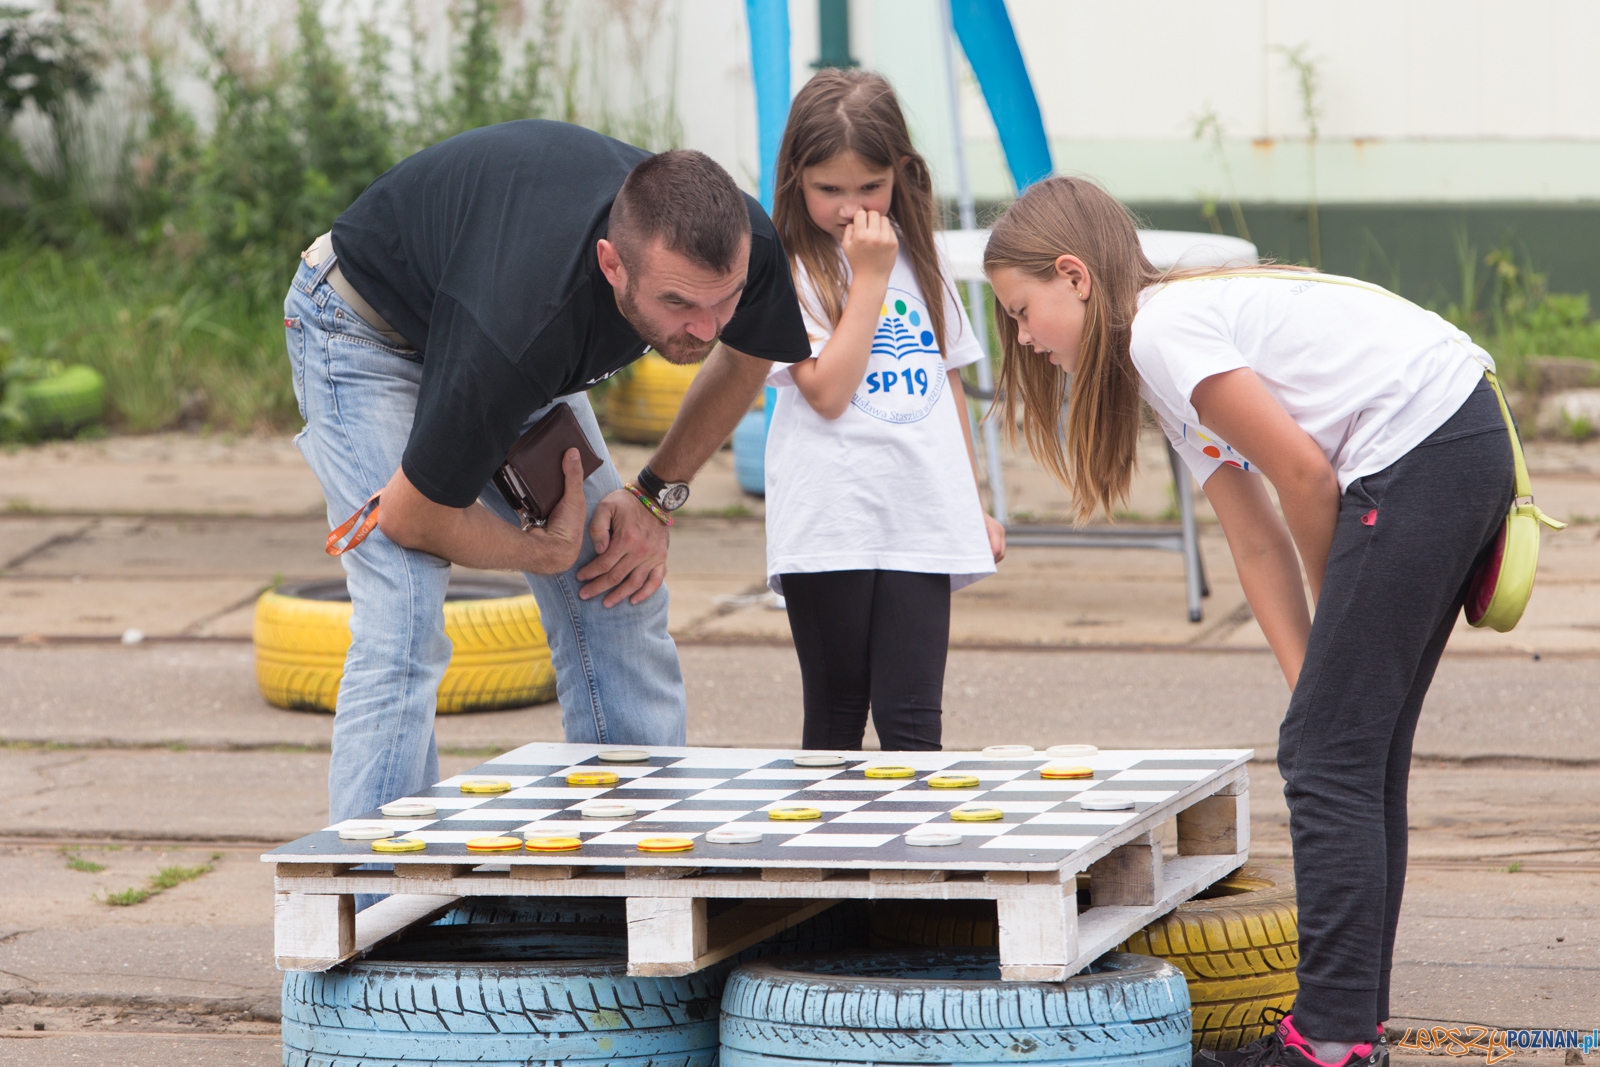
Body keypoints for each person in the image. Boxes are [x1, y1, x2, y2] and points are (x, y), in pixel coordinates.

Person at [983, 177, 1513, 1067]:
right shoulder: (1162, 355)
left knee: (1331, 752)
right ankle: (1353, 1030)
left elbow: (1306, 480)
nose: (1026, 342)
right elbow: (1253, 532)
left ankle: (1331, 1043)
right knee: (1347, 749)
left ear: (1073, 276)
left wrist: (1332, 646)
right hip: (1455, 438)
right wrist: (1316, 672)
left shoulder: (1160, 328)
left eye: (1023, 311)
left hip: (1426, 445)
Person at [284, 120, 809, 842]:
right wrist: (541, 549)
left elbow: (749, 353)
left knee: (619, 585)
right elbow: (412, 517)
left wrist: (654, 496)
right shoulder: (519, 326)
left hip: (504, 333)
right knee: (402, 621)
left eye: (724, 300)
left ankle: (639, 868)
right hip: (365, 330)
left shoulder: (737, 243)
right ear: (612, 263)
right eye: (679, 305)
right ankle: (372, 909)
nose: (707, 327)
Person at [763, 70, 1005, 753]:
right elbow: (827, 391)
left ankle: (916, 863)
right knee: (838, 716)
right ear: (796, 181)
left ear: (901, 172)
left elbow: (947, 379)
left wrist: (971, 500)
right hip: (830, 520)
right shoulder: (795, 269)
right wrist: (866, 278)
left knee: (912, 723)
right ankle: (834, 863)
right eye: (828, 190)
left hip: (921, 515)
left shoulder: (921, 259)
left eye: (869, 186)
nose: (850, 207)